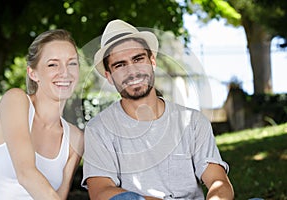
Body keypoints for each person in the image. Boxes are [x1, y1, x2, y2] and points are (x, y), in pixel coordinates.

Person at [81, 19, 234, 200]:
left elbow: (218, 181)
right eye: (120, 65)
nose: (132, 71)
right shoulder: (99, 129)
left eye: (138, 59)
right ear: (109, 76)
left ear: (152, 61)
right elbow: (101, 192)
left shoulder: (192, 121)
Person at [0, 29, 83, 199]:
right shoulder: (16, 100)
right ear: (33, 73)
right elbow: (26, 174)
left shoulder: (75, 138)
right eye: (53, 64)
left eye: (72, 63)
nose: (65, 72)